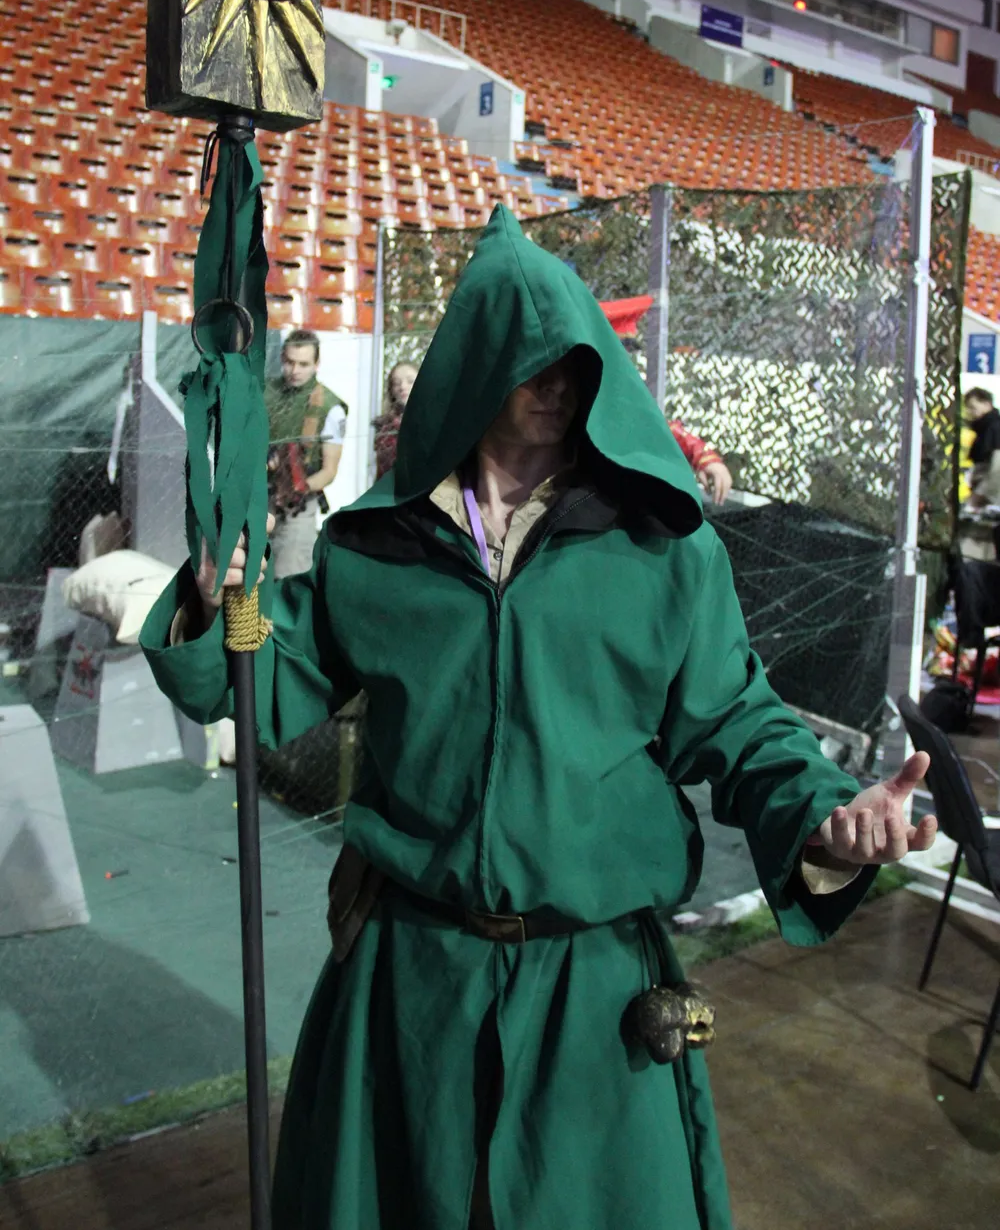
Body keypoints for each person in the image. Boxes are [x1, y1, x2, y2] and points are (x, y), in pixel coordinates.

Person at [141, 205, 936, 1230]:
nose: (557, 383)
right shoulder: (374, 550)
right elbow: (261, 674)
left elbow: (738, 723)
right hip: (408, 984)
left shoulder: (663, 549)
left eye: (575, 360)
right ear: (472, 366)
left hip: (592, 993)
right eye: (529, 361)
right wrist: (216, 606)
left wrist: (825, 814)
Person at [265, 329, 347, 578]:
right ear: (282, 357)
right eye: (290, 362)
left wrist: (296, 488)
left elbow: (329, 471)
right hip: (258, 498)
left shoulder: (329, 406)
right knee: (246, 580)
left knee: (289, 578)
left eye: (303, 364)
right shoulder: (263, 392)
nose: (295, 370)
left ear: (316, 364)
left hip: (298, 505)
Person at [371, 360, 418, 480]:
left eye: (410, 381)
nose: (403, 387)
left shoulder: (440, 422)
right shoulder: (384, 428)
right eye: (396, 383)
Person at [963, 386, 1000, 510]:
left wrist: (979, 495)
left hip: (990, 496)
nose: (969, 411)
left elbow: (997, 469)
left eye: (972, 407)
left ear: (987, 404)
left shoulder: (995, 427)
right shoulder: (984, 428)